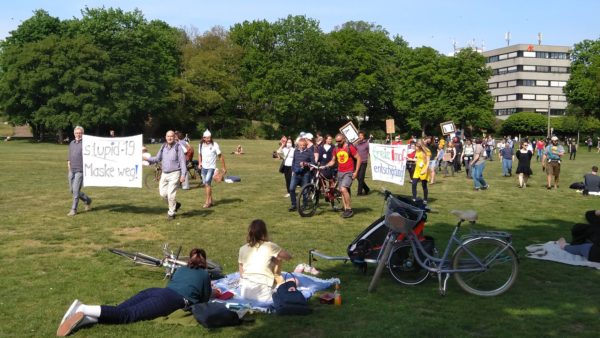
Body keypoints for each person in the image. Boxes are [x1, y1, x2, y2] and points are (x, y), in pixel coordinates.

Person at [57, 248, 213, 336]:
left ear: (190, 260)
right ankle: (83, 308)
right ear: (204, 262)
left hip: (155, 291)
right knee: (128, 316)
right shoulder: (205, 274)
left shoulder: (181, 269)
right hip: (169, 300)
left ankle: (87, 318)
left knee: (120, 310)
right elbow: (204, 299)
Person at [238, 220, 292, 302]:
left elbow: (242, 274)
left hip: (245, 292)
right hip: (263, 293)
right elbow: (288, 257)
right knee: (293, 282)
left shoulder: (242, 248)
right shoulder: (270, 246)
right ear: (264, 232)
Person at [146, 130, 187, 220]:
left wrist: (183, 175)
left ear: (174, 137)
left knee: (171, 194)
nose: (169, 138)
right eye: (168, 136)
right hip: (164, 173)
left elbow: (182, 162)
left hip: (175, 173)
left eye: (171, 136)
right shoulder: (163, 146)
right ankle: (175, 205)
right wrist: (147, 158)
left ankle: (171, 213)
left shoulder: (178, 147)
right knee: (163, 194)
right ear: (165, 137)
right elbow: (157, 158)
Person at [325, 134, 361, 218]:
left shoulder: (349, 147)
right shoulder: (336, 148)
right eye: (336, 141)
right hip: (340, 172)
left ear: (344, 139)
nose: (338, 143)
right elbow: (333, 161)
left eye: (339, 141)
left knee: (343, 189)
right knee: (342, 191)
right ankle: (346, 210)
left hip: (349, 172)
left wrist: (356, 172)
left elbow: (359, 158)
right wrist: (326, 165)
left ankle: (349, 209)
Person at [67, 126, 92, 216]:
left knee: (76, 190)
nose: (78, 134)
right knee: (72, 190)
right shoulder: (72, 143)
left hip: (80, 170)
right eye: (77, 133)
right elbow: (70, 154)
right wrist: (68, 163)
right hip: (71, 169)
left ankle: (74, 209)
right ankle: (87, 200)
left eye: (80, 133)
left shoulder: (86, 144)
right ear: (74, 134)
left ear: (82, 134)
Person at [198, 130, 227, 208]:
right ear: (203, 138)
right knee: (207, 184)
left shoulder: (215, 145)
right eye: (206, 138)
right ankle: (211, 201)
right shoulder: (200, 145)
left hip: (211, 167)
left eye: (209, 138)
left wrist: (224, 167)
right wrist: (200, 163)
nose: (208, 139)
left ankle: (207, 202)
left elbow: (220, 156)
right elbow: (199, 154)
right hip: (204, 167)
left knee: (207, 183)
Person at [288, 138, 314, 212]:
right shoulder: (296, 151)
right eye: (300, 145)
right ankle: (294, 205)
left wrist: (306, 164)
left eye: (303, 145)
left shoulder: (309, 152)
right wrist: (293, 169)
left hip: (305, 174)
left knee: (305, 190)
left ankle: (305, 205)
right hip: (296, 173)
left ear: (306, 145)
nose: (302, 146)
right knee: (291, 189)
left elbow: (313, 162)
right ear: (298, 145)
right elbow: (293, 161)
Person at [355, 131, 371, 195]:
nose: (360, 136)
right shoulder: (356, 143)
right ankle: (366, 188)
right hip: (357, 162)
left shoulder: (367, 143)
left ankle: (359, 192)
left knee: (361, 177)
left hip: (364, 162)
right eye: (359, 135)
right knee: (358, 177)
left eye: (361, 135)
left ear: (364, 136)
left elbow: (370, 152)